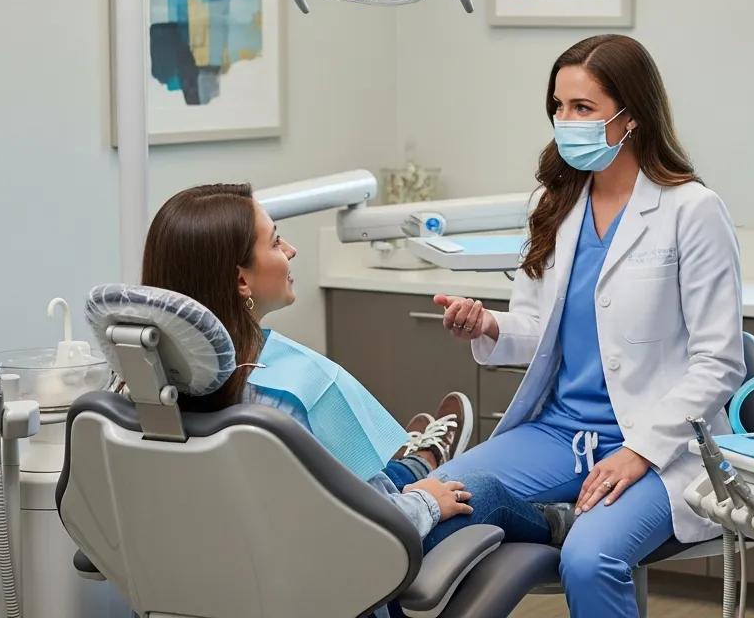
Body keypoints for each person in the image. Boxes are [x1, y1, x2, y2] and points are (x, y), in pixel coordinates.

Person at [141, 184, 572, 616]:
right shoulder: (294, 395)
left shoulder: (143, 391)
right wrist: (426, 502)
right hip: (338, 578)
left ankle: (421, 458)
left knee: (382, 477)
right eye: (275, 241)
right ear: (241, 280)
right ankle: (558, 521)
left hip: (229, 576)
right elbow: (372, 527)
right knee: (480, 488)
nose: (290, 250)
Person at [432, 34, 746, 618]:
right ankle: (547, 521)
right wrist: (490, 326)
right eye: (559, 106)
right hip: (557, 434)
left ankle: (560, 524)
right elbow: (538, 327)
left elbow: (719, 363)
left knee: (589, 557)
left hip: (659, 445)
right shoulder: (553, 204)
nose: (565, 122)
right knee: (432, 504)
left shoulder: (692, 210)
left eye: (583, 108)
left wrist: (640, 452)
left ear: (632, 116)